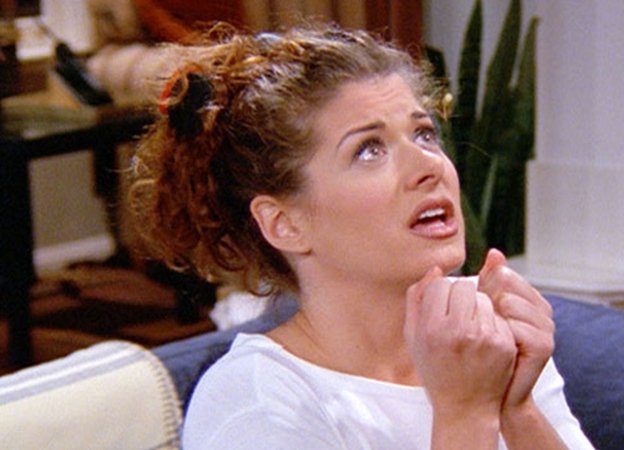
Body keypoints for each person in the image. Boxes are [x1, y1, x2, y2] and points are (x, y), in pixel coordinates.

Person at [128, 23, 594, 449]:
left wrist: (517, 406)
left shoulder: (482, 338)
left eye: (424, 134)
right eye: (369, 150)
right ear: (284, 224)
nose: (429, 166)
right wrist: (465, 413)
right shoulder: (252, 403)